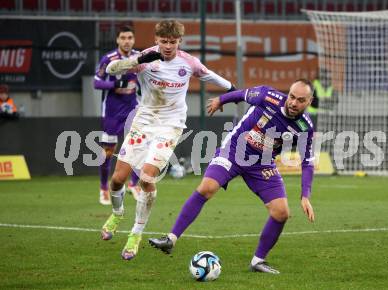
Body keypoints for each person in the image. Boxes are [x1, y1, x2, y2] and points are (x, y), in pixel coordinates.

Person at [149, 79, 316, 274]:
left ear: (309, 102)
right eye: (292, 96)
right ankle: (171, 239)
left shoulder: (305, 127)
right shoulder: (267, 96)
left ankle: (258, 261)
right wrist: (220, 100)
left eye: (300, 100)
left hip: (262, 164)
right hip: (234, 150)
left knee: (281, 213)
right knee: (207, 188)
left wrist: (305, 195)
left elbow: (307, 162)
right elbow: (241, 94)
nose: (293, 103)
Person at [100, 19, 235, 260]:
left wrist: (231, 92)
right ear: (156, 40)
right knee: (118, 179)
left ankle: (136, 233)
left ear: (179, 42)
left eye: (173, 42)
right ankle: (118, 213)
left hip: (170, 126)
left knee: (146, 179)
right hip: (144, 121)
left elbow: (212, 76)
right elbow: (111, 70)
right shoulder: (145, 58)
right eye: (164, 41)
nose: (168, 46)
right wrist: (138, 60)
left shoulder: (188, 62)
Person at [94, 25, 141, 205]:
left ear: (133, 40)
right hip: (112, 111)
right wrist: (115, 85)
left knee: (137, 148)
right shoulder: (109, 59)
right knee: (108, 151)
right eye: (123, 38)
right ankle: (104, 188)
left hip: (132, 109)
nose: (127, 41)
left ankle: (133, 184)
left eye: (130, 37)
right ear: (117, 40)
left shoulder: (139, 57)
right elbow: (96, 83)